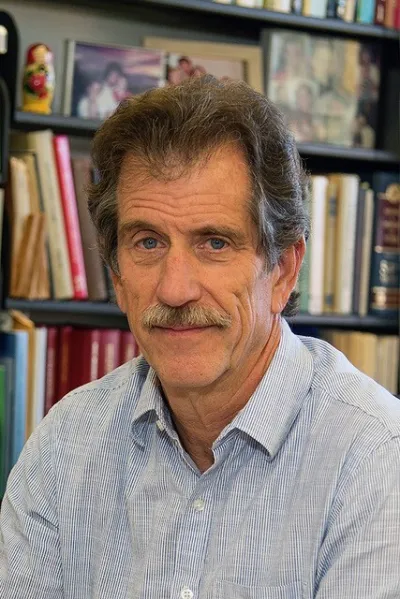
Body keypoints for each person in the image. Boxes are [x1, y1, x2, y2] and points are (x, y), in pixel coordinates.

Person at [1, 77, 399, 598]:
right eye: (147, 242)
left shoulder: (375, 459)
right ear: (117, 276)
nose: (175, 288)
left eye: (214, 242)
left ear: (282, 270)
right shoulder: (65, 445)